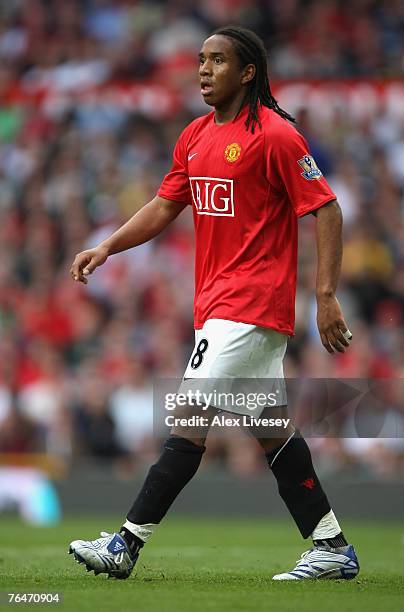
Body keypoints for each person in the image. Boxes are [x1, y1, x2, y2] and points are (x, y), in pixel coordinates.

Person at [68, 26, 359, 581]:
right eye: (201, 60)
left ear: (247, 72)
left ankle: (125, 544)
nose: (203, 69)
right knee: (272, 430)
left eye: (218, 60)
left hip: (250, 305)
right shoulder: (195, 135)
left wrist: (324, 295)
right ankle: (331, 546)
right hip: (219, 305)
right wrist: (107, 246)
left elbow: (326, 208)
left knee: (188, 417)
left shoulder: (276, 136)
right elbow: (163, 204)